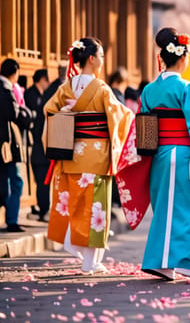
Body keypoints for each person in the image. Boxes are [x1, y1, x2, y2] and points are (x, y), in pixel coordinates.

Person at [115, 28, 190, 280]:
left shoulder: (150, 90)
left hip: (160, 154)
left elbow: (143, 123)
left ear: (162, 57)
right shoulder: (186, 88)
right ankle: (185, 261)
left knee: (164, 207)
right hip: (183, 153)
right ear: (183, 59)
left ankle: (160, 261)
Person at [43, 38, 133, 273]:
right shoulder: (101, 89)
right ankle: (89, 261)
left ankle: (72, 243)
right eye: (101, 55)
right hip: (96, 156)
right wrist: (132, 115)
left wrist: (65, 111)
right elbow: (119, 117)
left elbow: (48, 110)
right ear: (91, 59)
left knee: (74, 202)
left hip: (71, 153)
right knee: (95, 208)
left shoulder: (66, 87)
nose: (103, 60)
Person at [1, 59, 32, 233]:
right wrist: (28, 114)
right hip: (7, 145)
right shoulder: (6, 89)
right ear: (15, 73)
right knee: (16, 181)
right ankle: (12, 220)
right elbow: (14, 113)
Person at [24, 69, 51, 222]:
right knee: (40, 178)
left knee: (42, 180)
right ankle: (42, 209)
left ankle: (43, 208)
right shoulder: (32, 95)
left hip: (40, 145)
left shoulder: (42, 95)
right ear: (42, 79)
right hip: (34, 144)